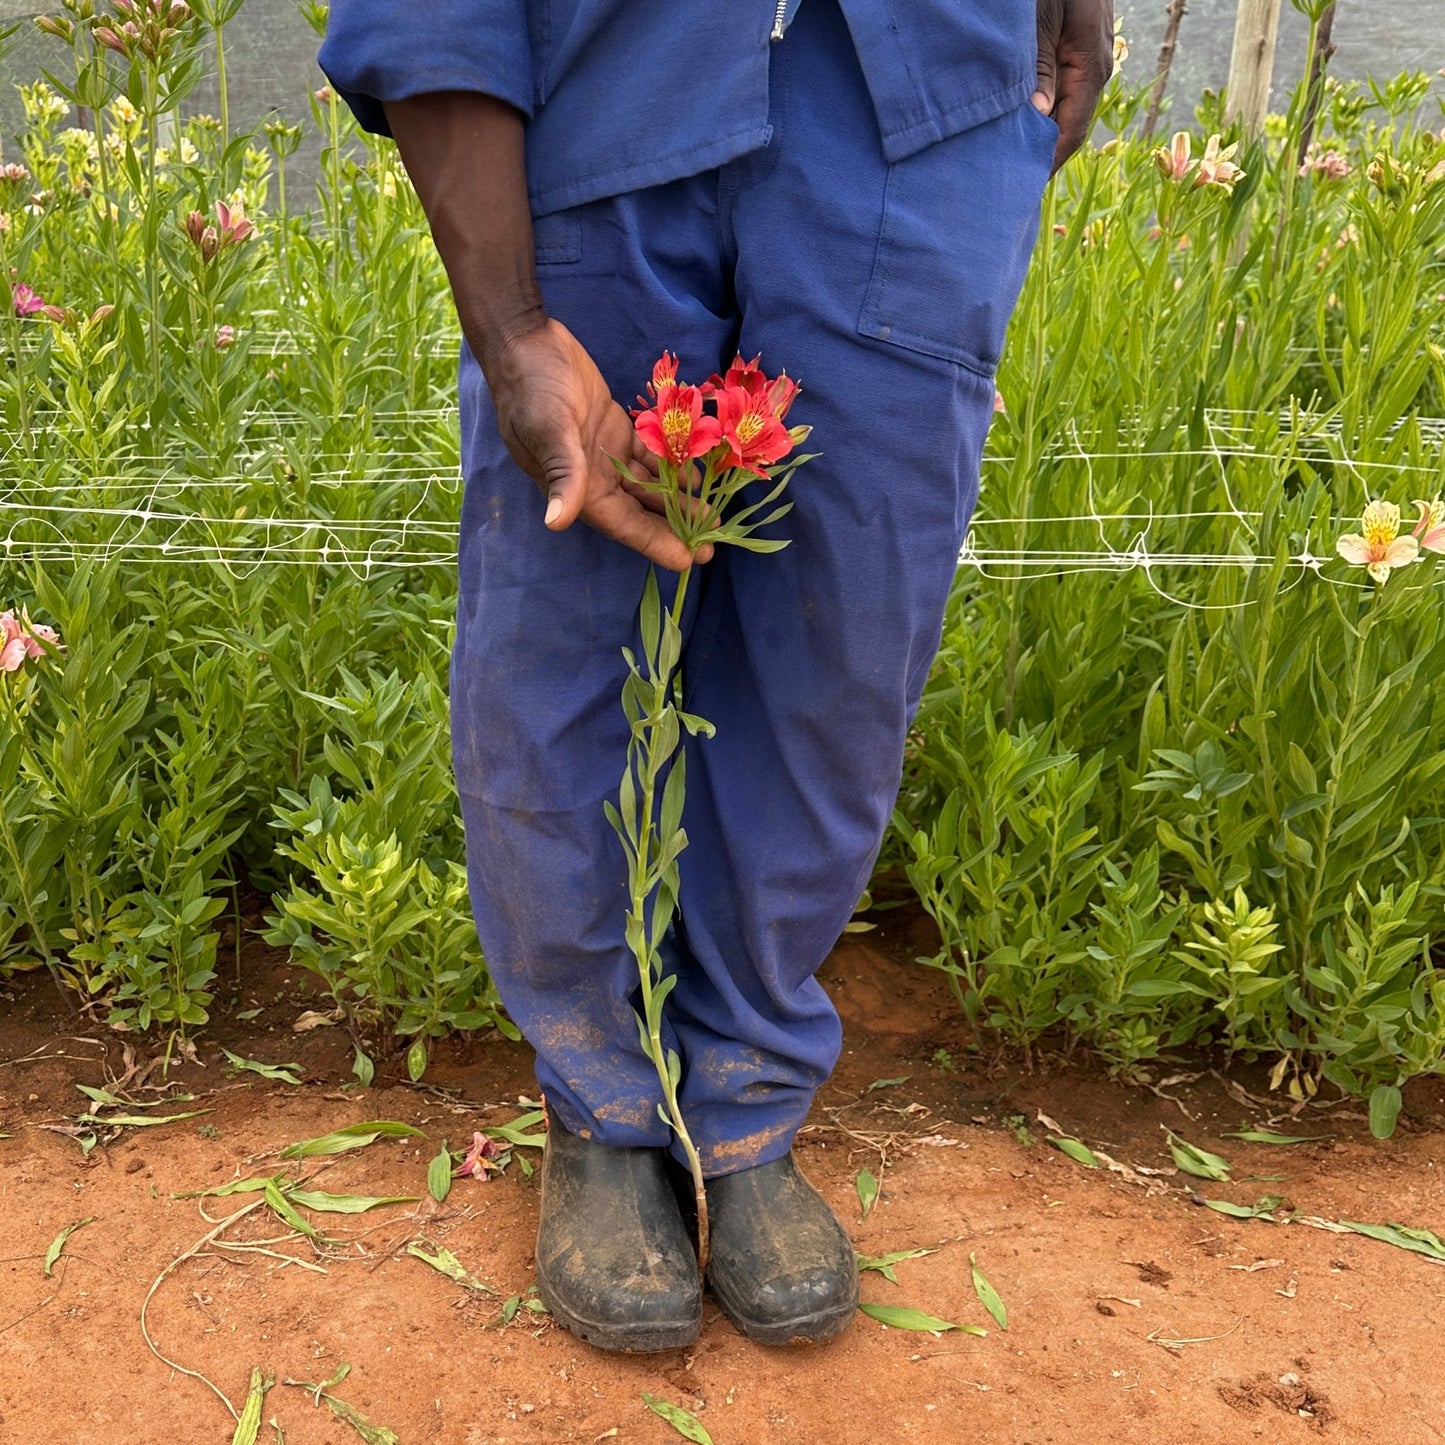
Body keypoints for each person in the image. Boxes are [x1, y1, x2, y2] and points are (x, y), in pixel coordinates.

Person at [319, 0, 1113, 1352]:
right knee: (562, 632)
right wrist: (511, 320)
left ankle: (743, 1086)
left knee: (845, 640)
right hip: (601, 78)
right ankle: (603, 1102)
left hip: (918, 104)